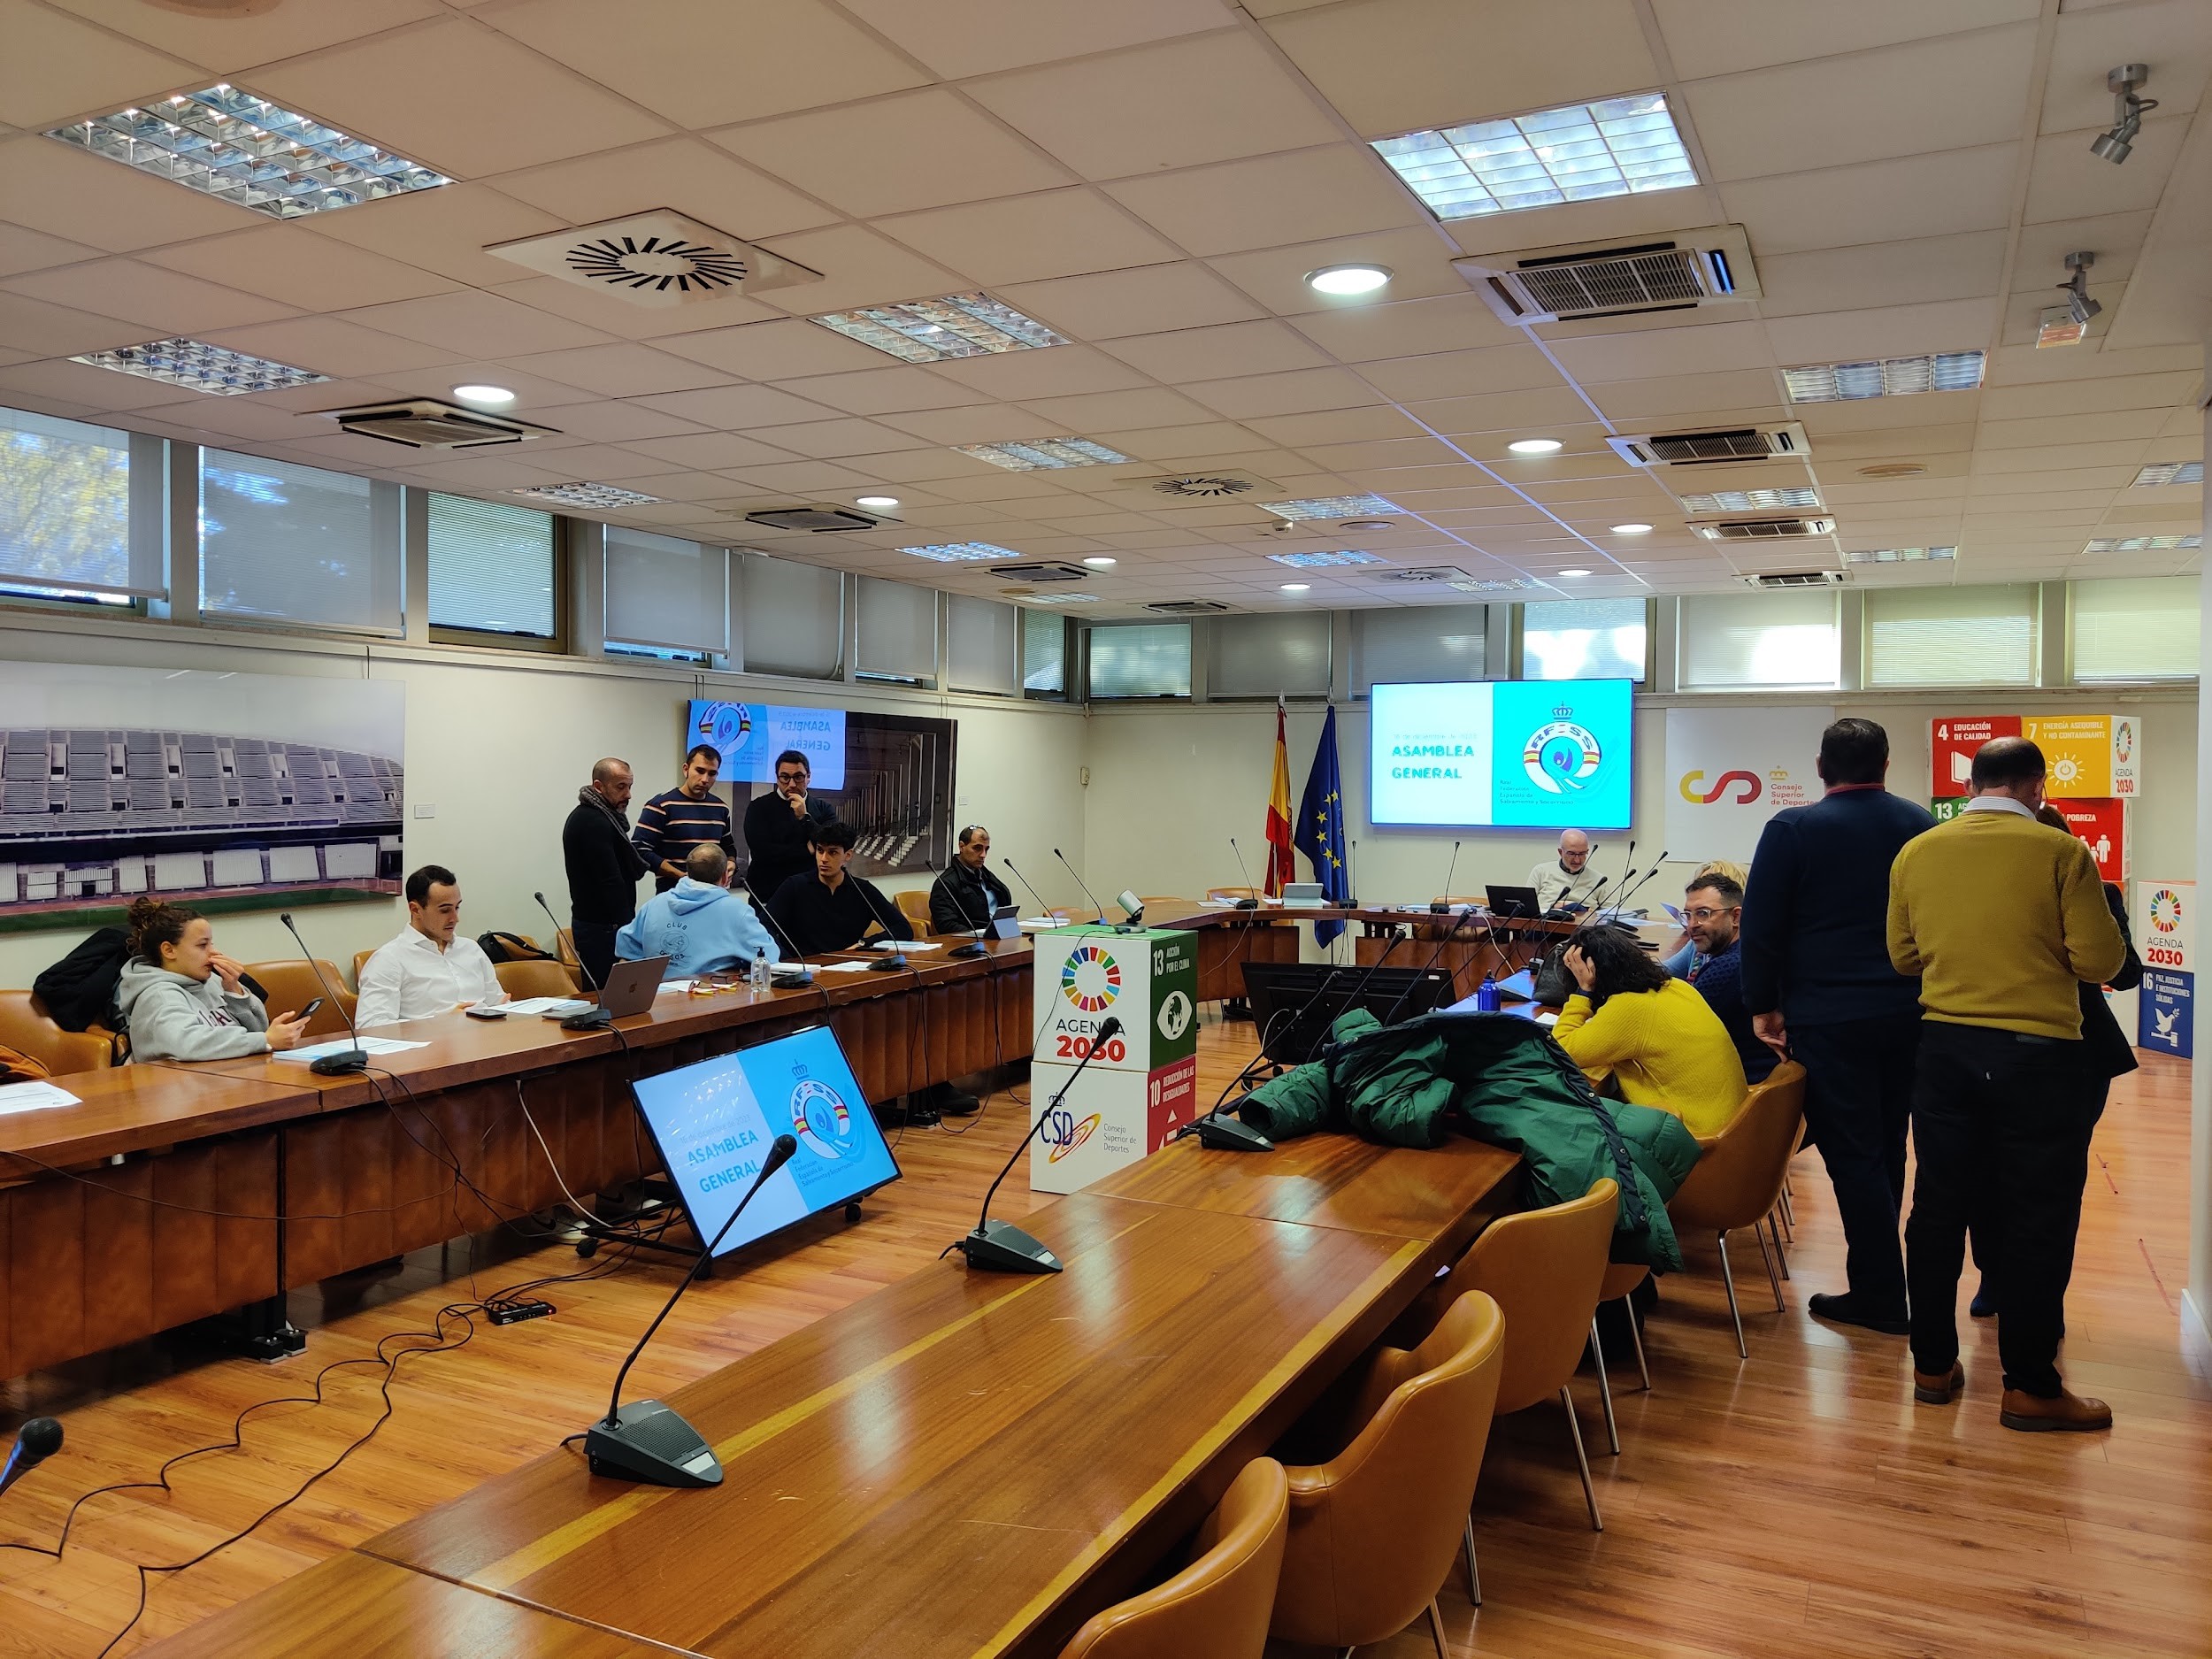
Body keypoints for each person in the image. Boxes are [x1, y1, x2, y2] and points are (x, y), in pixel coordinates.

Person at [1888, 737, 2126, 1433]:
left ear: (1971, 785)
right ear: (2037, 787)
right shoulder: (2062, 853)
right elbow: (2100, 960)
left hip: (1944, 1050)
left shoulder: (1917, 852)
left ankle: (1933, 1366)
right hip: (2039, 1057)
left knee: (1936, 1209)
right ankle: (2028, 1387)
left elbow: (1903, 955)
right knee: (2036, 1217)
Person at [1740, 718, 1934, 1337]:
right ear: (1886, 764)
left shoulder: (1793, 828)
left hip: (1829, 1017)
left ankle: (1880, 1294)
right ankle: (1888, 1281)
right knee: (1888, 1144)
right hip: (1911, 1012)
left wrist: (1762, 1005)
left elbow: (1761, 927)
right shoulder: (1921, 825)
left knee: (1852, 1154)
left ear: (1822, 766)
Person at [1963, 804, 2146, 1320]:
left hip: (2074, 1055)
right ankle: (2003, 1282)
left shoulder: (2101, 893)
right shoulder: (1987, 893)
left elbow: (2127, 972)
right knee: (2004, 1177)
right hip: (2013, 1050)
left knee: (2038, 1181)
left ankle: (2033, 1296)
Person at [771, 821, 976, 1121]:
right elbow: (765, 929)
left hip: (851, 974)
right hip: (806, 978)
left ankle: (928, 1084)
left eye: (832, 852)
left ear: (848, 855)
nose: (824, 859)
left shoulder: (860, 890)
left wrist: (866, 943)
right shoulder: (795, 886)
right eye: (820, 851)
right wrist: (791, 962)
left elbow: (901, 927)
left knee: (905, 1008)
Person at [1551, 923, 1748, 1138]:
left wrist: (1583, 992)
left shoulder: (1630, 1008)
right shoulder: (1675, 986)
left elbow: (1559, 1051)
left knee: (1568, 1124)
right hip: (1737, 1127)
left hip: (1696, 1139)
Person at [112, 898, 308, 1061]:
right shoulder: (157, 996)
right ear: (169, 950)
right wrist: (264, 1040)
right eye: (202, 945)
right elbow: (188, 1044)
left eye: (211, 943)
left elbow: (261, 1032)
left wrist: (235, 992)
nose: (213, 952)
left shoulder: (213, 982)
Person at [357, 864, 507, 1028]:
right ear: (416, 910)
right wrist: (438, 1024)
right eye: (445, 910)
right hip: (431, 1043)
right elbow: (369, 1026)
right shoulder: (389, 959)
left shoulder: (471, 949)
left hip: (487, 1038)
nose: (455, 918)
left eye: (457, 907)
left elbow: (497, 1001)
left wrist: (508, 1009)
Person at [615, 845, 778, 978]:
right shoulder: (737, 911)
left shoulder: (653, 904)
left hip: (657, 1000)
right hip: (711, 999)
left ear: (688, 873)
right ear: (725, 877)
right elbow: (769, 958)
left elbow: (627, 952)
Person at [1675, 872, 1775, 1085]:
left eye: (1703, 914)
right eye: (1688, 915)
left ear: (1736, 917)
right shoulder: (1748, 951)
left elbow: (1672, 1027)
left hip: (1737, 1086)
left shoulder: (1728, 967)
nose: (1692, 925)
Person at [564, 756, 646, 988]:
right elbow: (610, 881)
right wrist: (629, 930)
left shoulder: (604, 817)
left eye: (630, 786)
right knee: (608, 996)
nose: (628, 794)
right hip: (602, 928)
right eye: (621, 787)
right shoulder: (593, 821)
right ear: (598, 786)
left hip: (601, 925)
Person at [634, 745, 737, 895]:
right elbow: (640, 849)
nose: (705, 779)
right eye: (700, 771)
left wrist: (731, 862)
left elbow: (728, 847)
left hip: (712, 895)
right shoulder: (661, 806)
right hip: (673, 894)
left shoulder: (721, 808)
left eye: (712, 774)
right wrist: (681, 876)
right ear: (686, 769)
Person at [741, 748, 835, 906]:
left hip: (811, 893)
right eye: (785, 777)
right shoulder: (758, 807)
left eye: (798, 777)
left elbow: (829, 846)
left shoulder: (824, 809)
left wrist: (805, 818)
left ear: (808, 777)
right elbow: (763, 853)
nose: (791, 784)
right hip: (766, 894)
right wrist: (807, 850)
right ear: (777, 778)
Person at [1660, 859, 1747, 976]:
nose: (1692, 924)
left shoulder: (1731, 962)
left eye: (1703, 913)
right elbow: (1662, 972)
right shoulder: (1698, 942)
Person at [931, 824, 1013, 936]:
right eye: (977, 848)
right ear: (961, 847)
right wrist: (978, 936)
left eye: (986, 849)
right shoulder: (946, 883)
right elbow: (946, 925)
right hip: (972, 940)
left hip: (1001, 935)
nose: (983, 855)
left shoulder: (987, 877)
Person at [1530, 829, 1606, 912]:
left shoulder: (1599, 880)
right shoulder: (1541, 871)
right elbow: (1527, 906)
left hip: (1584, 919)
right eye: (1571, 854)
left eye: (1582, 854)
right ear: (1560, 852)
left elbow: (1611, 913)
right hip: (1546, 918)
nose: (1577, 860)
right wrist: (1557, 905)